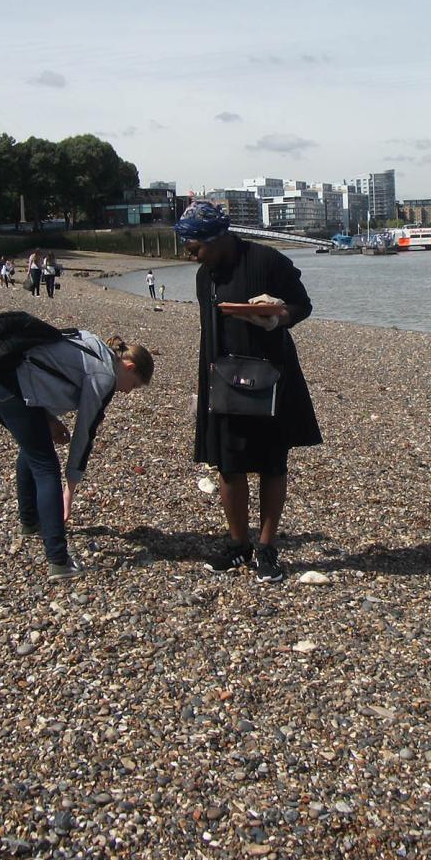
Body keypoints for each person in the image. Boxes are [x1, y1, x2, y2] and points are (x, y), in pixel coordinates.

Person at [177, 201, 321, 584]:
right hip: (222, 375)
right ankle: (238, 545)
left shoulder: (268, 261)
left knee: (273, 464)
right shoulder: (204, 276)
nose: (193, 257)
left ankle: (267, 548)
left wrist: (277, 315)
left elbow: (302, 306)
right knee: (228, 465)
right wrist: (204, 385)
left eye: (195, 249)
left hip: (271, 374)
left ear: (218, 237)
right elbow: (209, 331)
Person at [0, 332, 154, 579]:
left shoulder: (93, 344)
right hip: (7, 384)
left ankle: (30, 522)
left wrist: (49, 421)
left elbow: (43, 368)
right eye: (133, 385)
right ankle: (58, 561)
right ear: (130, 367)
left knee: (34, 447)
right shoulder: (104, 376)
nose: (128, 392)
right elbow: (84, 434)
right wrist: (69, 491)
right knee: (46, 466)